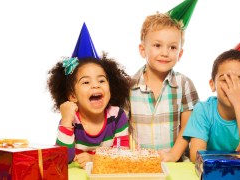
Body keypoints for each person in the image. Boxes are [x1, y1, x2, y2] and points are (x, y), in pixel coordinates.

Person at [47, 23, 130, 168]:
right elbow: (62, 159)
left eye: (101, 80)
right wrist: (66, 120)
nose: (95, 85)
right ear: (73, 96)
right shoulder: (71, 118)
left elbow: (122, 154)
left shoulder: (117, 116)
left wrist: (94, 159)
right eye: (86, 82)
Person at [128, 0, 199, 162]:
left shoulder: (184, 84)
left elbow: (189, 126)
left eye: (172, 47)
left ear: (180, 54)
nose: (165, 53)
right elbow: (123, 128)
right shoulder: (129, 86)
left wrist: (173, 155)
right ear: (142, 49)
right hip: (139, 162)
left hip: (176, 162)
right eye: (157, 45)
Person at [183, 48, 240, 162]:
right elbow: (196, 156)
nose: (233, 87)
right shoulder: (203, 110)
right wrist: (230, 158)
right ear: (212, 84)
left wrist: (239, 102)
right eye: (225, 80)